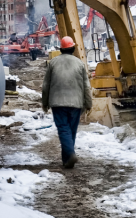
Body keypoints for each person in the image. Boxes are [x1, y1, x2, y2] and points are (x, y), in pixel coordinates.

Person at [42, 36, 92, 169]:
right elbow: (86, 86)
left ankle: (69, 155)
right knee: (71, 131)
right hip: (76, 103)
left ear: (61, 49)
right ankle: (67, 159)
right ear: (73, 48)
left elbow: (46, 85)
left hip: (58, 103)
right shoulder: (79, 63)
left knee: (64, 130)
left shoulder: (53, 63)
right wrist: (89, 103)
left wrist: (44, 103)